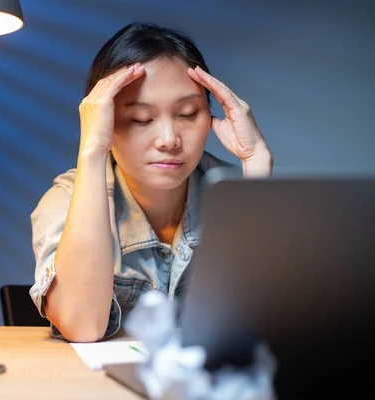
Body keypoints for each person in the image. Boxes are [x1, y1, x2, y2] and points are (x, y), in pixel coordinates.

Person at [29, 22, 273, 343]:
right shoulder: (65, 198)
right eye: (141, 119)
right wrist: (91, 151)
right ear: (104, 122)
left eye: (187, 113)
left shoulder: (233, 194)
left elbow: (269, 325)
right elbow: (82, 325)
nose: (169, 139)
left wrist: (256, 161)